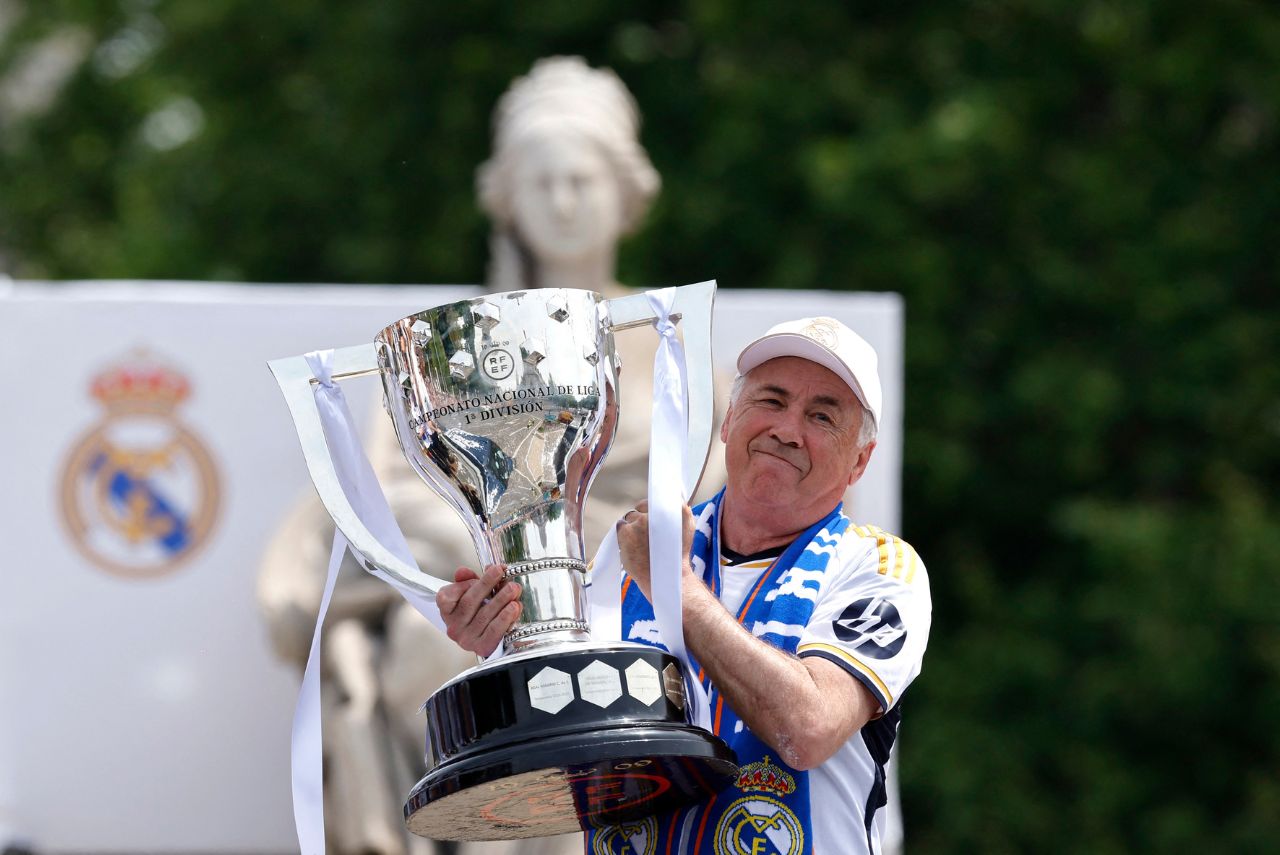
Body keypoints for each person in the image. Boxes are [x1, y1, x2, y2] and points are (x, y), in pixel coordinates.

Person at [257, 57, 717, 855]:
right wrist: (466, 556)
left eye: (582, 178)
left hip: (635, 606)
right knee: (435, 645)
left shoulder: (666, 349)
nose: (564, 201)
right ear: (507, 196)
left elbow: (702, 516)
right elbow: (383, 509)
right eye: (542, 182)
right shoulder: (445, 351)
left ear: (627, 191)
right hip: (475, 608)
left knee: (598, 670)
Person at [437, 316, 931, 855]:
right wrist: (501, 643)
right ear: (728, 422)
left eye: (822, 416)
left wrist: (674, 586)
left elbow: (807, 727)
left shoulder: (878, 566)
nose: (788, 429)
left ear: (860, 460)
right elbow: (560, 734)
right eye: (771, 401)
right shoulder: (627, 556)